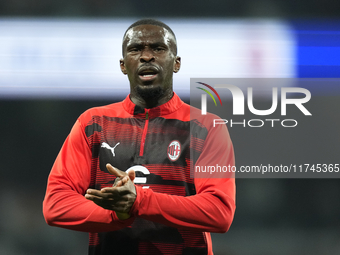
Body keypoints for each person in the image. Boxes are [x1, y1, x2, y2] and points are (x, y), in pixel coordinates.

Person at [43, 18, 236, 255]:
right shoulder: (93, 123)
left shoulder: (206, 126)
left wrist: (139, 201)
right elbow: (56, 205)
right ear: (123, 65)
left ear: (176, 63)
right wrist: (118, 213)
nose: (146, 56)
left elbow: (219, 212)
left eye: (158, 48)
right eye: (136, 49)